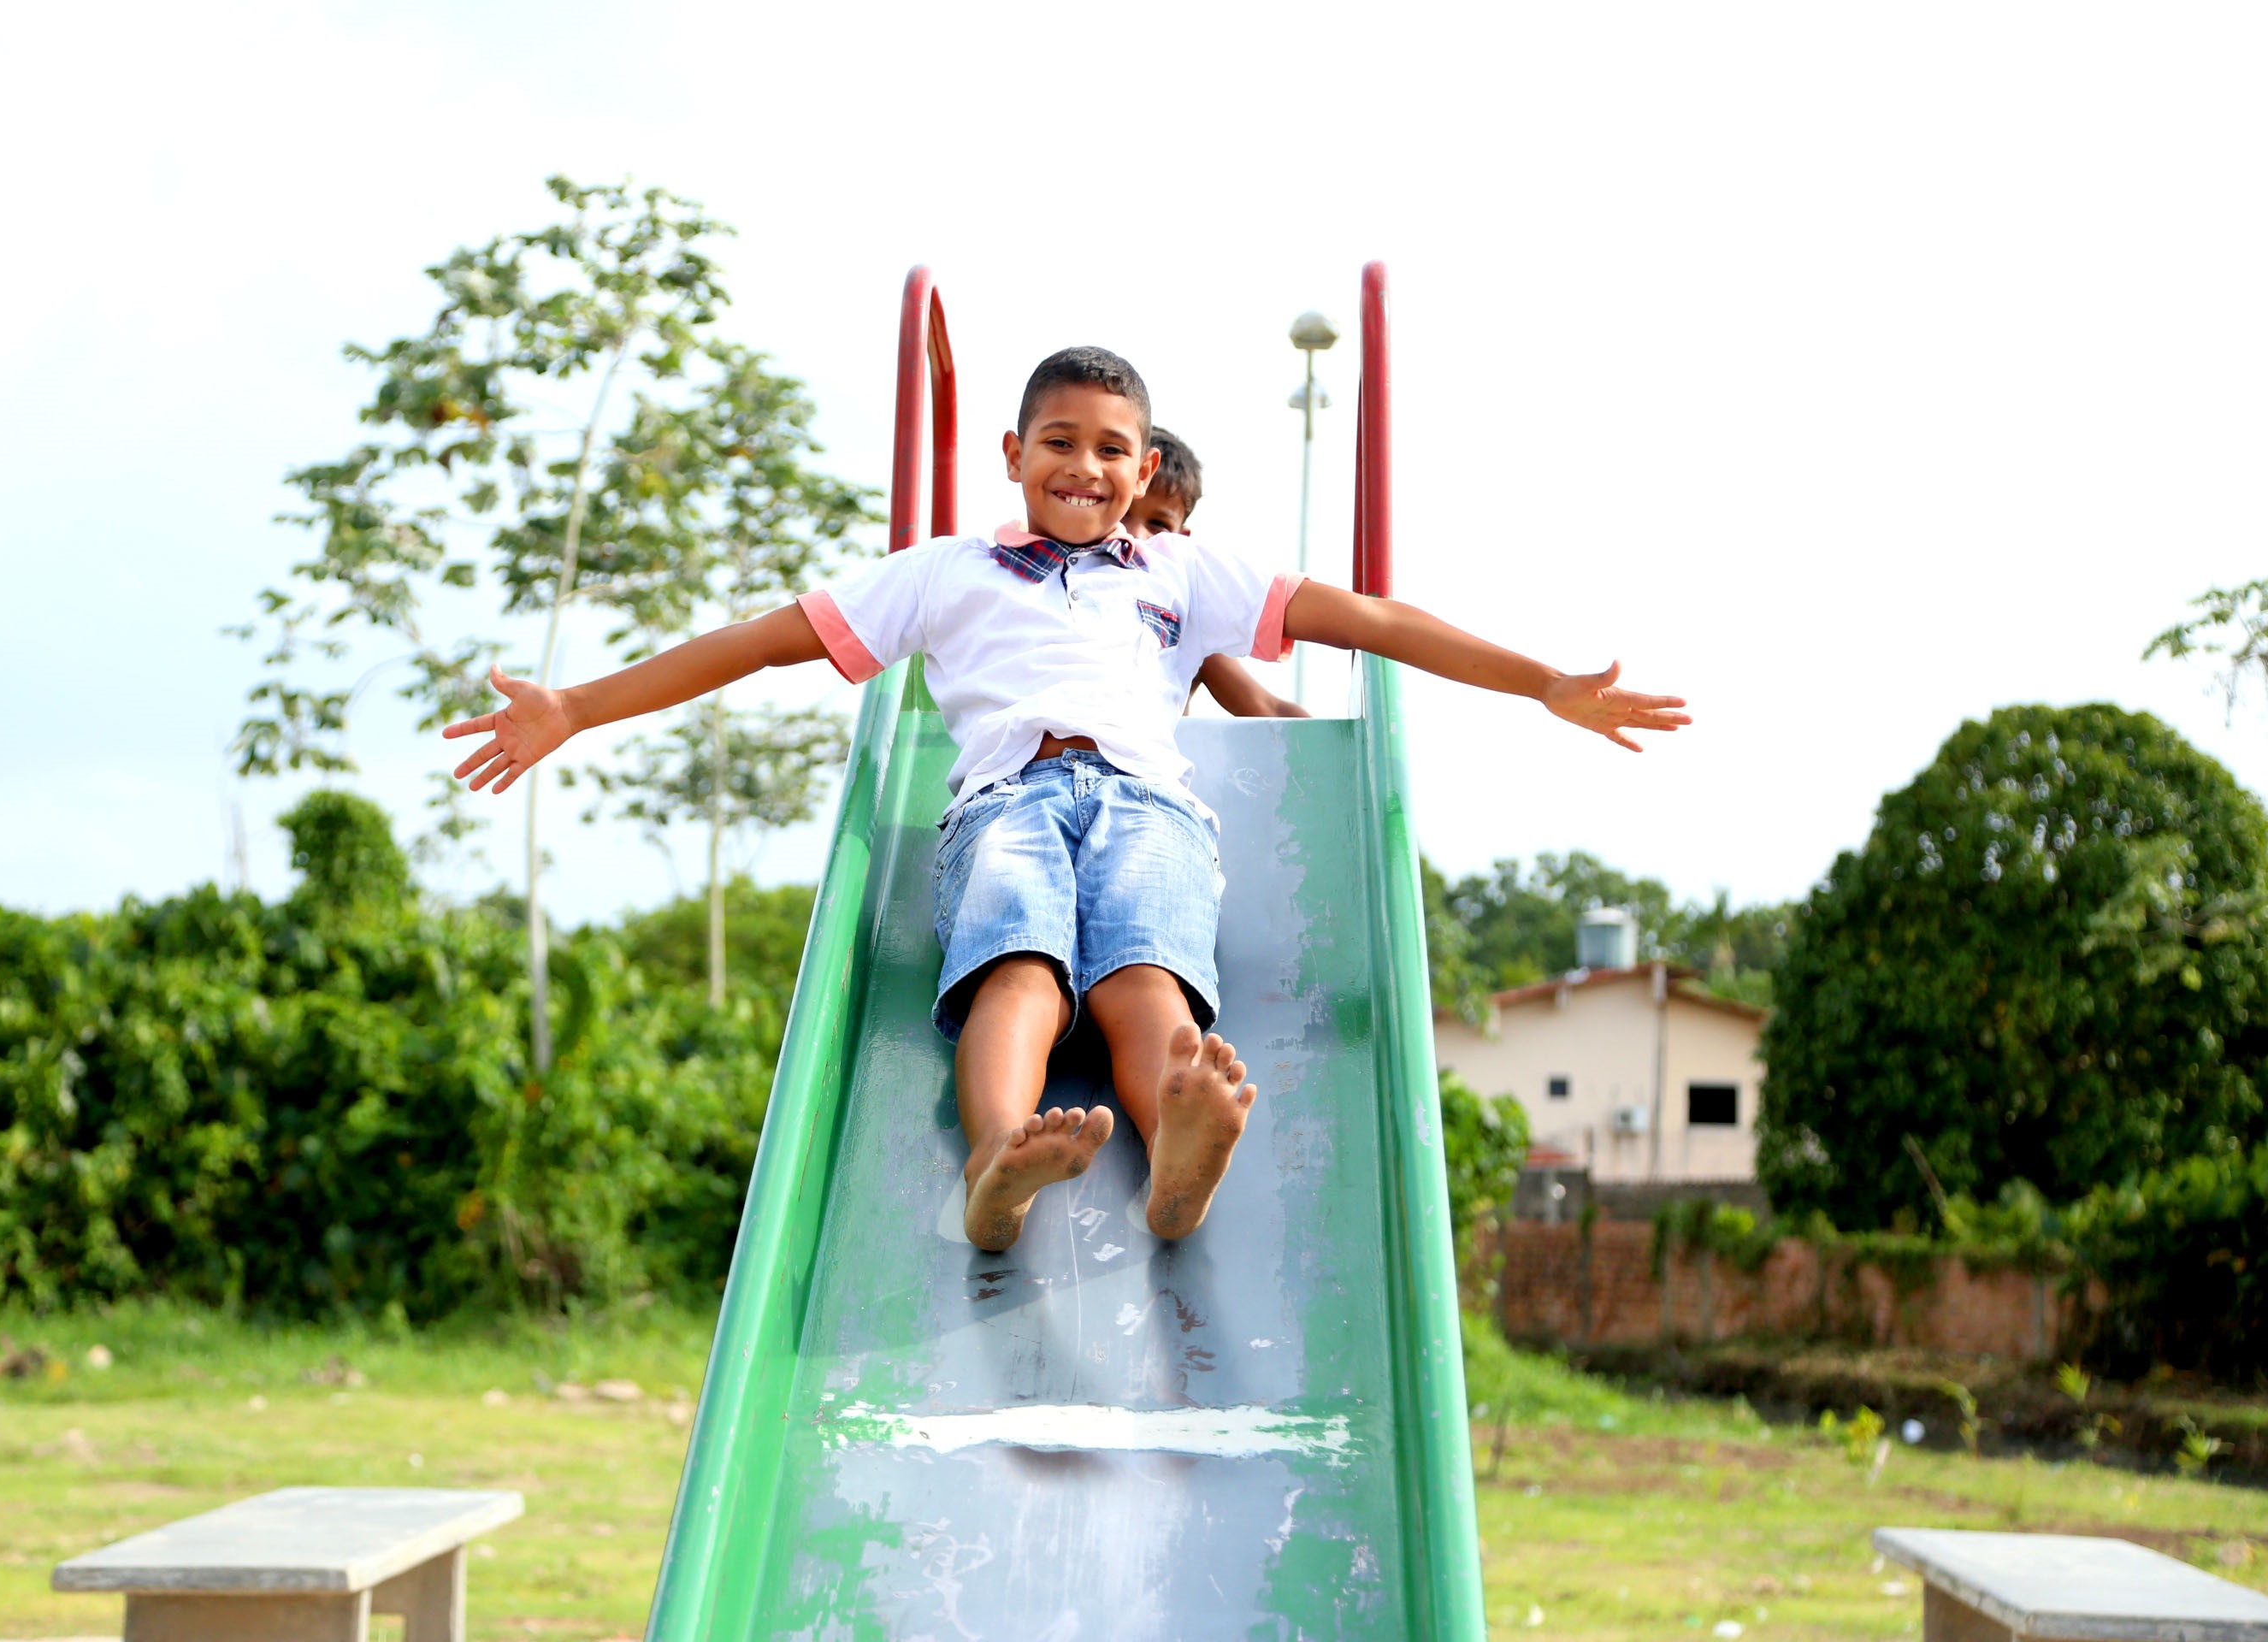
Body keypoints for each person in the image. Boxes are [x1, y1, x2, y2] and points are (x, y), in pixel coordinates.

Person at [443, 346, 1689, 1254]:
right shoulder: (944, 572)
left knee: (1147, 978)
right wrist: (578, 708)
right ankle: (998, 1156)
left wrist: (1544, 685)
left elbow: (1367, 618)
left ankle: (1175, 1160)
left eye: (1109, 451)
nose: (1084, 468)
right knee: (1017, 971)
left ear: (1143, 468)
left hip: (1149, 802)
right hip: (1006, 800)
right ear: (1014, 456)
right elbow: (763, 642)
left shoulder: (1180, 572)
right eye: (1059, 444)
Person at [1125, 428, 1310, 721]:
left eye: (1158, 525)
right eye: (1123, 514)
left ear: (1181, 539)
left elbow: (1267, 709)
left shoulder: (1180, 621)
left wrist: (1344, 761)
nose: (1135, 534)